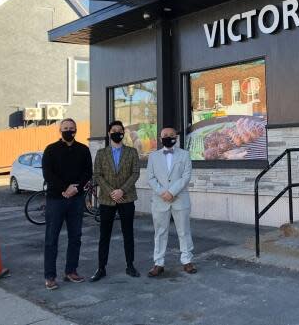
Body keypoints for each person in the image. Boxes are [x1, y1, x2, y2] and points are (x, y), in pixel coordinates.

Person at [42, 118, 92, 290]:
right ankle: (50, 276)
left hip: (76, 199)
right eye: (65, 128)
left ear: (76, 130)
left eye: (72, 128)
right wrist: (65, 188)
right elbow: (48, 174)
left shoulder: (83, 150)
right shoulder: (50, 150)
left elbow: (87, 172)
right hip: (56, 199)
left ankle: (71, 270)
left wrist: (75, 189)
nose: (69, 130)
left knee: (75, 237)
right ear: (60, 130)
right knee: (51, 239)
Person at [90, 120, 141, 282]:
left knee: (128, 233)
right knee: (104, 235)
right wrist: (111, 191)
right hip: (107, 199)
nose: (117, 132)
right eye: (114, 130)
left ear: (123, 133)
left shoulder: (132, 152)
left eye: (120, 130)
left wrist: (122, 190)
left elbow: (135, 173)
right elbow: (97, 174)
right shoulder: (101, 153)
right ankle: (101, 268)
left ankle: (130, 265)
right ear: (109, 133)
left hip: (127, 198)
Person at [146, 126, 197, 277]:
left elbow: (186, 176)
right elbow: (150, 178)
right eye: (165, 135)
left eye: (171, 134)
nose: (168, 137)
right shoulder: (153, 157)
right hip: (160, 200)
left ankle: (187, 260)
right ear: (161, 138)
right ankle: (158, 262)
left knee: (184, 231)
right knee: (160, 232)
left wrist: (172, 192)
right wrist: (163, 192)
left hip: (180, 199)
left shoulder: (185, 155)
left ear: (176, 137)